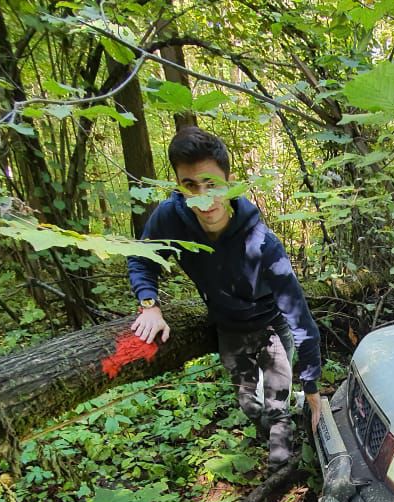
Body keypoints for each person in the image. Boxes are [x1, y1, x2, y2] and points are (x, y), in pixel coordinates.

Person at [127, 128, 322, 469]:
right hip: (228, 329)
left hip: (272, 326)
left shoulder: (262, 243)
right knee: (249, 405)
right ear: (178, 184)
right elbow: (141, 258)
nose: (203, 199)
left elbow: (300, 318)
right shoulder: (170, 217)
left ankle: (283, 460)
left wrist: (313, 389)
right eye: (190, 185)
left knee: (277, 404)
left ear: (229, 182)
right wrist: (150, 304)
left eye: (212, 184)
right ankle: (268, 430)